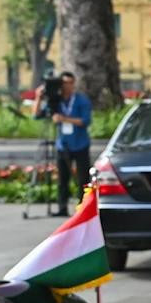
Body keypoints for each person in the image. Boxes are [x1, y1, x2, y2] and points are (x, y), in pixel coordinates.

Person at [37, 72, 94, 216]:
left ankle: (83, 208)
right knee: (63, 179)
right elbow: (37, 115)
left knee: (83, 178)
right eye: (63, 83)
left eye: (69, 83)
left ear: (73, 84)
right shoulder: (55, 101)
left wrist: (64, 119)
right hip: (63, 145)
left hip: (80, 144)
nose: (66, 86)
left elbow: (85, 121)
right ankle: (62, 207)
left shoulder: (81, 100)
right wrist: (38, 97)